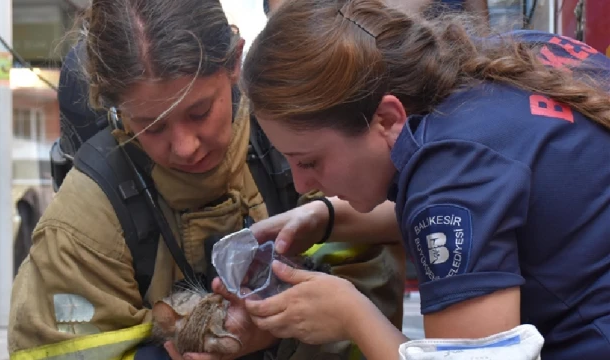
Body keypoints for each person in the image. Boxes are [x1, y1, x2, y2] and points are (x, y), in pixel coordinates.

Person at [7, 0, 407, 359]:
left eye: (199, 112)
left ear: (235, 62)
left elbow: (370, 284)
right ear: (117, 109)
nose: (184, 147)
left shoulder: (300, 151)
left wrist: (279, 329)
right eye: (151, 126)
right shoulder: (82, 224)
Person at [236, 0, 610, 359]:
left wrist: (351, 315)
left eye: (310, 161)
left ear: (385, 118)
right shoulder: (496, 61)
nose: (302, 185)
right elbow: (478, 217)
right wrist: (323, 218)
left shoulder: (450, 171)